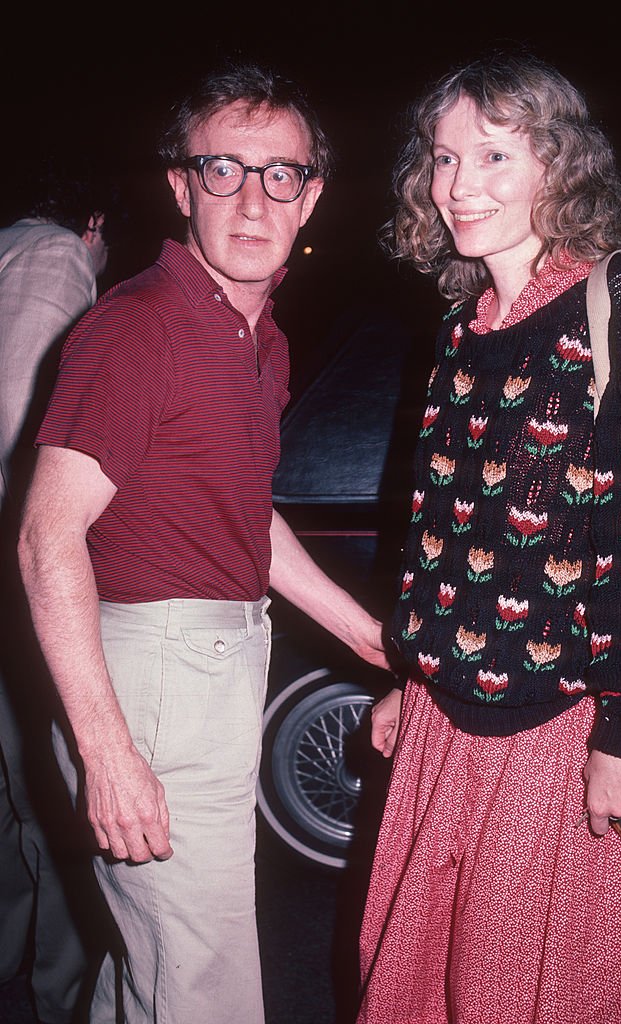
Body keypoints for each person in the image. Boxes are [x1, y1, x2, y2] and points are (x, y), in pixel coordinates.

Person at [17, 63, 387, 1024]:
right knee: (207, 989)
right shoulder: (140, 327)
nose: (252, 198)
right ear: (181, 187)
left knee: (151, 971)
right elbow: (46, 535)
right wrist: (106, 752)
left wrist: (369, 641)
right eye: (223, 169)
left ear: (310, 197)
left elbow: (241, 516)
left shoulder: (258, 340)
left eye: (280, 175)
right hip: (148, 686)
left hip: (212, 668)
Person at [357, 52, 621, 1024]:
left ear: (557, 164)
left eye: (495, 156)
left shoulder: (618, 300)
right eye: (443, 157)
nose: (458, 186)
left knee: (534, 993)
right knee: (419, 985)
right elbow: (445, 537)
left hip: (559, 732)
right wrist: (409, 672)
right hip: (439, 726)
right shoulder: (464, 327)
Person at [0, 168, 114, 1024]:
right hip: (16, 567)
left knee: (12, 786)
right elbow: (22, 425)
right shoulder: (57, 257)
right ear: (94, 222)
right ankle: (56, 992)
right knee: (54, 789)